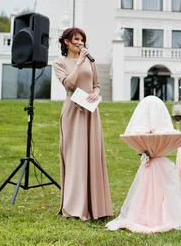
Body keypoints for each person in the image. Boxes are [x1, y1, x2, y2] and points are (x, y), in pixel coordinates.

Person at [53, 27, 113, 220]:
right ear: (67, 42)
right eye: (76, 39)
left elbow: (96, 83)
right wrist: (78, 63)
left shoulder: (90, 61)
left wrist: (96, 92)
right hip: (72, 112)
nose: (80, 42)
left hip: (90, 111)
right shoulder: (59, 63)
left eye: (82, 40)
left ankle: (96, 207)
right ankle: (74, 207)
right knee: (75, 156)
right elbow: (69, 85)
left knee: (92, 154)